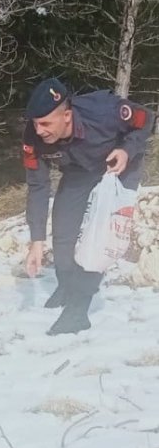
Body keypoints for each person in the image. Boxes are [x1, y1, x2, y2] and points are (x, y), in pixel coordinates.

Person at [22, 77, 154, 335]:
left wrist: (127, 150)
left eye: (46, 123)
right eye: (36, 123)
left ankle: (78, 311)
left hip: (119, 165)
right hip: (80, 169)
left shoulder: (104, 111)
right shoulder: (32, 136)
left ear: (67, 116)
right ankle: (66, 284)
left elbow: (146, 119)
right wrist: (36, 241)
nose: (39, 130)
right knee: (63, 229)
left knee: (100, 239)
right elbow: (37, 186)